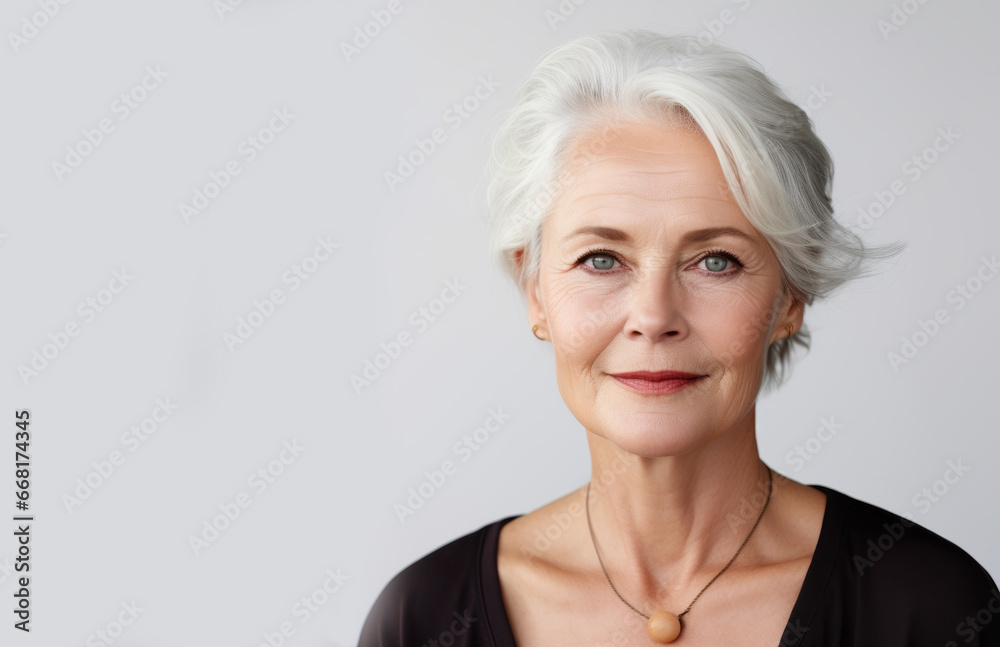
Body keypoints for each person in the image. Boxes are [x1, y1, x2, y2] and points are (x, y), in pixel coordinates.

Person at [358, 29, 999, 646]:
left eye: (715, 260)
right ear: (535, 292)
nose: (654, 315)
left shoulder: (931, 604)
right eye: (601, 259)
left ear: (789, 299)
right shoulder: (424, 616)